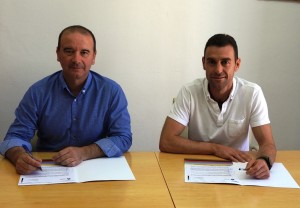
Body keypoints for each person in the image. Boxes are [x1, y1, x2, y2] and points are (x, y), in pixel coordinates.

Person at [0, 25, 132, 174]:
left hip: (95, 168)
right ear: (58, 54)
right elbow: (14, 137)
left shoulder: (111, 91)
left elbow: (123, 138)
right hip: (48, 170)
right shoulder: (38, 92)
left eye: (84, 52)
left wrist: (84, 152)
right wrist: (19, 156)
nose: (76, 59)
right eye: (69, 51)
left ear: (94, 57)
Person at [159, 34, 276, 179]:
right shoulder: (189, 91)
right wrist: (215, 148)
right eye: (212, 62)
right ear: (203, 63)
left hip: (240, 170)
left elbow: (267, 144)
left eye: (225, 62)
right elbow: (166, 141)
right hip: (198, 168)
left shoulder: (252, 93)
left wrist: (264, 161)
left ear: (237, 64)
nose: (218, 70)